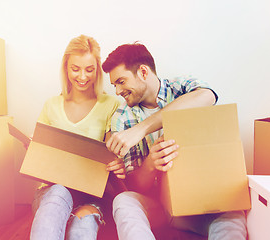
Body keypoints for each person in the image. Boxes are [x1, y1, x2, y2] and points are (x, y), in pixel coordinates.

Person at [102, 43, 247, 240]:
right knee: (124, 201)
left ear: (143, 72)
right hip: (159, 209)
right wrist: (151, 163)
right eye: (114, 85)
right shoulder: (121, 117)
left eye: (121, 81)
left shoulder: (182, 87)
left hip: (201, 204)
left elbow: (207, 96)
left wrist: (141, 130)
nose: (117, 91)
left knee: (233, 211)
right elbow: (135, 185)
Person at [30, 35, 125, 240]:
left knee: (83, 228)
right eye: (76, 69)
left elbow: (112, 152)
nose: (83, 76)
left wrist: (117, 162)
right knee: (58, 194)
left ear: (98, 70)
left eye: (89, 69)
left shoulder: (110, 105)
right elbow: (38, 159)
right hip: (52, 190)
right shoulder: (51, 105)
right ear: (66, 68)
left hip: (91, 194)